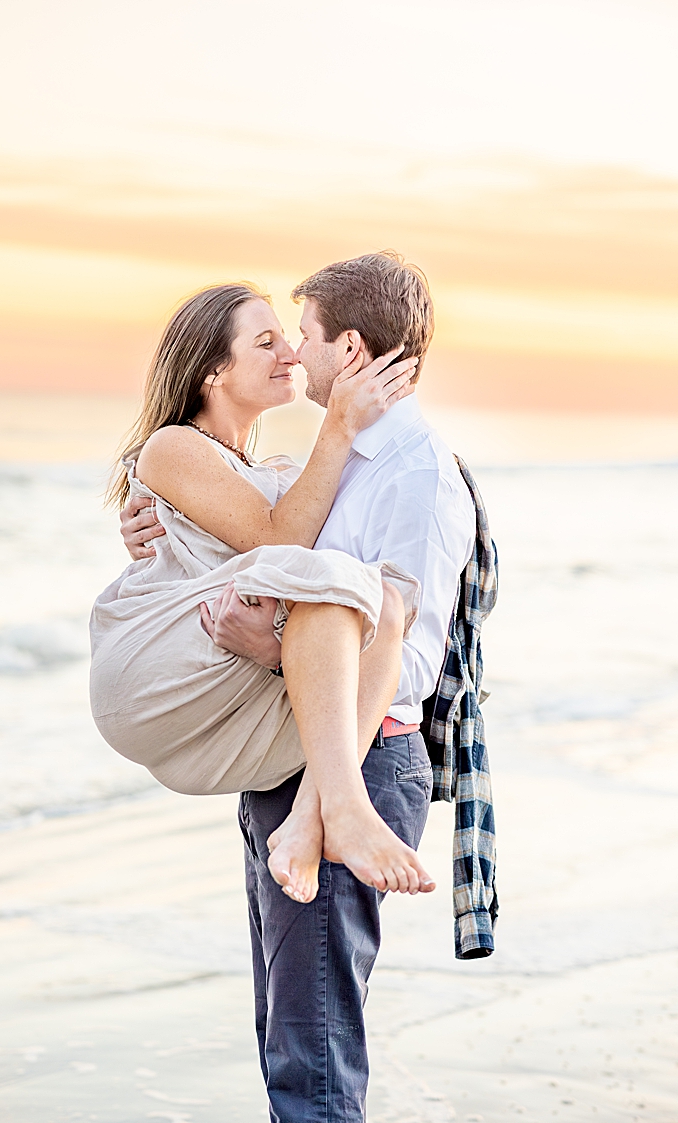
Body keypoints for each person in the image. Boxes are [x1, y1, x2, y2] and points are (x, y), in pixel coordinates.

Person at [120, 252, 477, 1122]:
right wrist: (151, 520)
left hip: (361, 758)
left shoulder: (416, 474)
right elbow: (248, 541)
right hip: (289, 759)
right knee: (287, 1037)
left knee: (311, 1057)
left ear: (346, 348)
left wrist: (278, 646)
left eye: (301, 335)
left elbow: (404, 655)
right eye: (271, 339)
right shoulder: (338, 460)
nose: (292, 353)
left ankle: (334, 812)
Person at [89, 280, 429, 903]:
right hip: (148, 676)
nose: (291, 356)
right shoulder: (173, 445)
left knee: (383, 602)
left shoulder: (266, 469)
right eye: (266, 343)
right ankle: (344, 808)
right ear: (214, 372)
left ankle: (311, 818)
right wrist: (341, 425)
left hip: (219, 661)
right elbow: (281, 544)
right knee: (353, 584)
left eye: (289, 339)